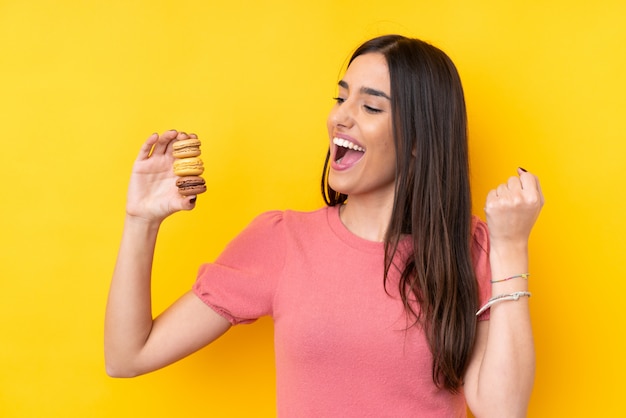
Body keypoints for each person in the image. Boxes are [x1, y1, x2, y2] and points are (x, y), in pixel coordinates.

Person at [105, 34, 544, 417]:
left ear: (418, 141)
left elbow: (502, 410)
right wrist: (140, 221)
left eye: (370, 105)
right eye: (341, 98)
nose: (340, 116)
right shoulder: (282, 241)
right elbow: (128, 355)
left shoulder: (467, 249)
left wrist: (510, 245)